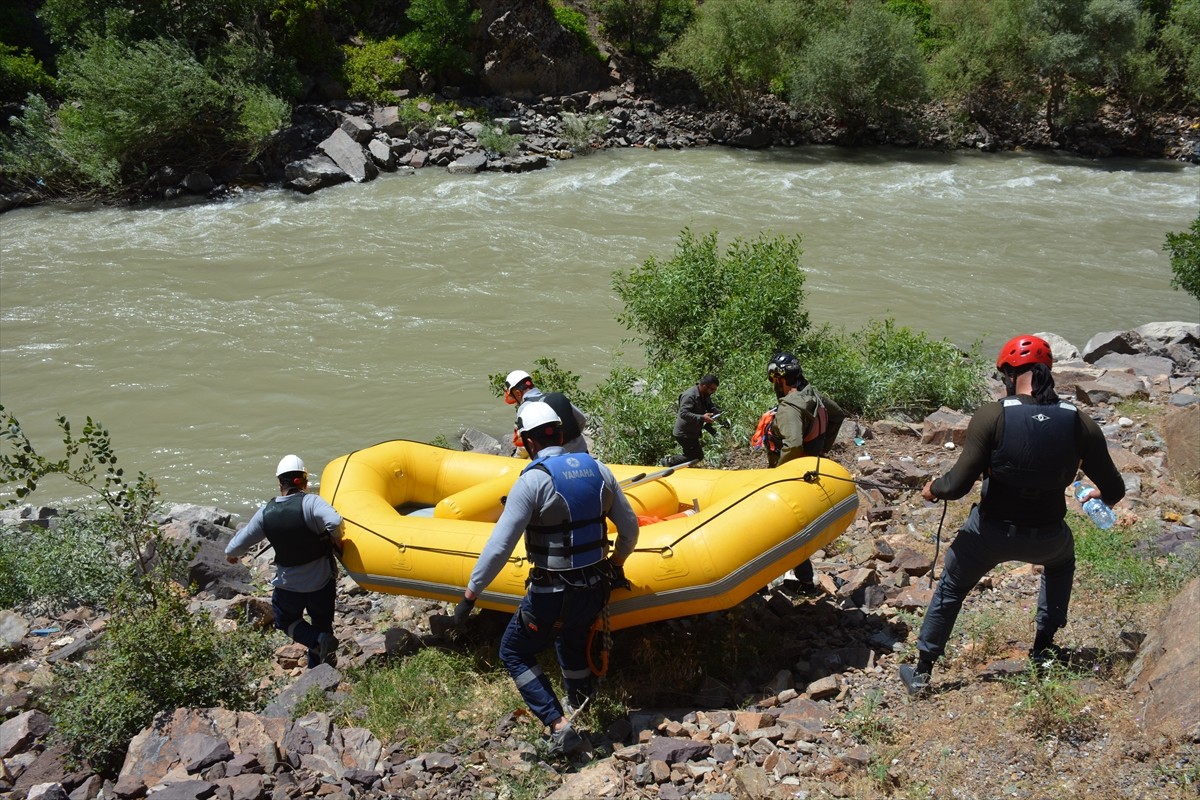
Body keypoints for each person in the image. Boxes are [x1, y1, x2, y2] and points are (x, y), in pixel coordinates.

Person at [899, 335, 1125, 697]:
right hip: (1048, 537)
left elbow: (957, 485)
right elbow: (1114, 489)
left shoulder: (994, 414)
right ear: (1047, 372)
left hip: (990, 533)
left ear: (1008, 373)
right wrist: (1097, 494)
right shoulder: (1079, 422)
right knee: (1062, 562)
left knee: (953, 586)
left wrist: (933, 489)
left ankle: (923, 670)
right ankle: (1044, 647)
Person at [452, 402, 640, 756]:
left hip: (553, 593)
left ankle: (557, 724)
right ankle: (582, 702)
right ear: (561, 431)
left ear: (527, 441)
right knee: (571, 638)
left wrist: (471, 595)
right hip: (596, 587)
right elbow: (630, 530)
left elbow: (499, 547)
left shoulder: (534, 481)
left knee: (514, 652)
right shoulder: (600, 470)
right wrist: (616, 564)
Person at [225, 455, 344, 670]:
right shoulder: (311, 502)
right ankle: (322, 667)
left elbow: (237, 545)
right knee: (322, 624)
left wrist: (231, 554)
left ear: (280, 483)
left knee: (285, 621)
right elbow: (335, 521)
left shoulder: (266, 513)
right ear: (305, 482)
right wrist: (336, 538)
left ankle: (318, 652)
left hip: (289, 585)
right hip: (321, 582)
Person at [766, 352, 846, 590]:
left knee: (782, 527)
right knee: (795, 526)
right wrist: (822, 451)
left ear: (780, 379)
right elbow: (837, 415)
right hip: (810, 469)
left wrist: (778, 475)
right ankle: (803, 578)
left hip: (792, 477)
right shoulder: (814, 396)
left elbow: (793, 444)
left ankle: (789, 581)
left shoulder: (789, 407)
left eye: (773, 380)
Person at [503, 369, 589, 454]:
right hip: (583, 453)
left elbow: (525, 446)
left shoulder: (525, 408)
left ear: (518, 393)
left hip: (555, 460)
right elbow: (582, 420)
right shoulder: (558, 397)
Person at [663, 374, 722, 467]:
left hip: (692, 432)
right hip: (684, 433)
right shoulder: (689, 396)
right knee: (697, 456)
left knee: (694, 455)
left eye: (715, 390)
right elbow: (683, 414)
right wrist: (702, 417)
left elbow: (709, 405)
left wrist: (714, 410)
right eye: (712, 389)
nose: (713, 392)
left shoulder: (705, 393)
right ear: (704, 386)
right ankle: (670, 461)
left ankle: (674, 464)